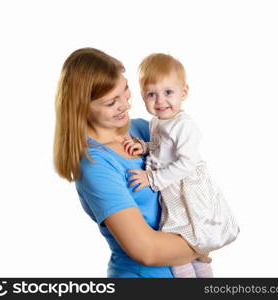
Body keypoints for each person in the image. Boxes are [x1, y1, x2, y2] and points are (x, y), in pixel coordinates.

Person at [53, 48, 211, 278]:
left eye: (125, 90)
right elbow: (146, 250)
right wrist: (208, 240)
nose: (125, 105)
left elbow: (190, 171)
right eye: (111, 102)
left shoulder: (143, 128)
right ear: (81, 107)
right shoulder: (95, 165)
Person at [124, 53, 240, 278]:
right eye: (151, 94)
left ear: (183, 92)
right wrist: (145, 147)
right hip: (172, 190)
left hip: (186, 191)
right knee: (182, 248)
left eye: (168, 92)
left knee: (187, 244)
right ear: (143, 96)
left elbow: (186, 163)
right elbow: (162, 148)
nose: (160, 101)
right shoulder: (158, 121)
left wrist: (152, 179)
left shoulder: (185, 126)